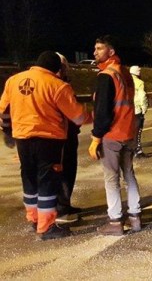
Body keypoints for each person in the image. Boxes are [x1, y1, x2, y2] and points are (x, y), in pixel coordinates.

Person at [0, 51, 91, 240]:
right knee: (48, 180)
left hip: (22, 139)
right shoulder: (57, 86)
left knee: (29, 177)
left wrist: (8, 130)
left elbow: (3, 111)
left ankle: (33, 219)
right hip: (48, 140)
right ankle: (47, 226)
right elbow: (77, 117)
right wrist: (93, 116)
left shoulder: (13, 81)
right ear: (57, 68)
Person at [89, 35, 142, 235]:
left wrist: (95, 139)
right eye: (95, 48)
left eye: (100, 48)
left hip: (112, 135)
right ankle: (135, 218)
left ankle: (115, 222)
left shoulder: (106, 76)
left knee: (111, 178)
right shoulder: (125, 73)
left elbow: (103, 112)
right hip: (128, 132)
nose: (95, 52)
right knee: (129, 175)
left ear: (110, 52)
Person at [55, 53, 82, 223]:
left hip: (69, 133)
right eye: (64, 66)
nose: (66, 69)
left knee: (70, 170)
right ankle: (60, 208)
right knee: (62, 171)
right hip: (61, 136)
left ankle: (65, 202)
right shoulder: (57, 85)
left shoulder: (64, 83)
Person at [129, 65, 148, 158]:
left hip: (127, 110)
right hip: (137, 110)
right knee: (138, 131)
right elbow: (142, 97)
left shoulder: (125, 81)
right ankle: (138, 150)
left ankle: (128, 150)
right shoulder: (139, 82)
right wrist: (144, 108)